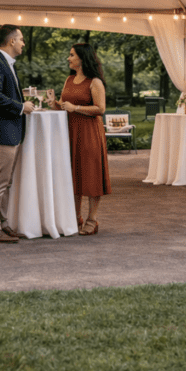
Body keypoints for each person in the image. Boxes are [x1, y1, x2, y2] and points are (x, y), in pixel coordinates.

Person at [0, 25, 35, 243]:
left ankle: (2, 223)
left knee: (6, 183)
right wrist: (21, 107)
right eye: (21, 39)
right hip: (2, 132)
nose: (23, 43)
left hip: (9, 132)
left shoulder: (6, 64)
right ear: (11, 41)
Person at [50, 43, 110, 235]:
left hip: (89, 133)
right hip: (70, 133)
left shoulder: (95, 82)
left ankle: (92, 219)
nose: (68, 58)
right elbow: (64, 106)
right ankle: (75, 218)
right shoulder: (69, 80)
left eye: (72, 55)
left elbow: (100, 109)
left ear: (82, 58)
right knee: (73, 176)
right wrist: (54, 104)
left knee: (91, 175)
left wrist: (75, 108)